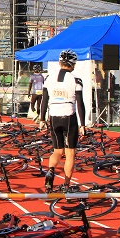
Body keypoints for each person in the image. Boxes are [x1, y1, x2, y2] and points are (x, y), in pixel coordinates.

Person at [38, 49, 86, 192]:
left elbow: (44, 100)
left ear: (60, 63)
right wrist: (82, 124)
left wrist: (42, 119)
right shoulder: (76, 80)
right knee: (70, 153)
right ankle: (66, 184)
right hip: (69, 115)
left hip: (54, 115)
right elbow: (80, 103)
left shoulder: (48, 78)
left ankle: (51, 170)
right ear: (73, 64)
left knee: (57, 150)